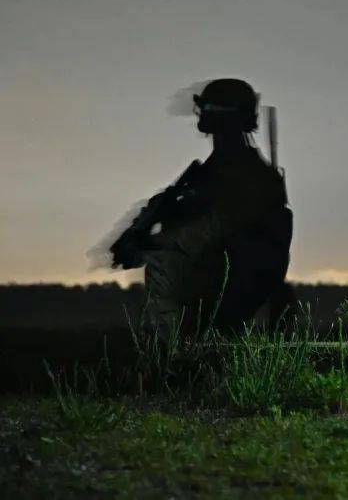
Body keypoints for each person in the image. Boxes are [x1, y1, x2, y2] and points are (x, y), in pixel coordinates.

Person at [110, 78, 293, 335]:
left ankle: (172, 351)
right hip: (228, 295)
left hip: (226, 300)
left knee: (162, 265)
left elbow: (213, 232)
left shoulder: (238, 175)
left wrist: (149, 244)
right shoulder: (223, 171)